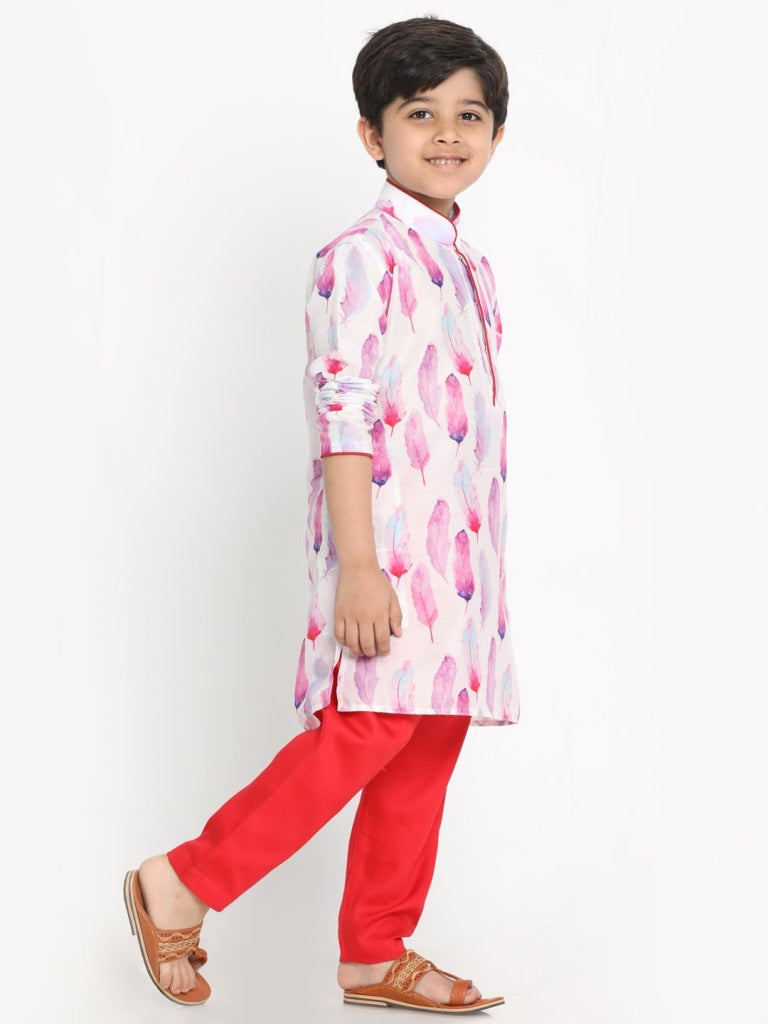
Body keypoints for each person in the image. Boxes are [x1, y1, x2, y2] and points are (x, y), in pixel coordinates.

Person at [124, 15, 519, 1014]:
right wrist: (359, 565)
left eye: (469, 115)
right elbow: (341, 409)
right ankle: (182, 880)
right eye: (419, 112)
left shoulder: (468, 263)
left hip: (459, 564)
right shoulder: (362, 255)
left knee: (426, 743)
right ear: (371, 134)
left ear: (495, 134)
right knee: (364, 731)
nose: (447, 133)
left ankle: (374, 951)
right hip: (384, 551)